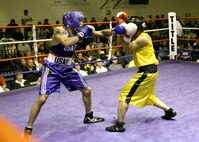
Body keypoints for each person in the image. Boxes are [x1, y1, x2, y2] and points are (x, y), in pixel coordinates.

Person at [23, 11, 124, 139]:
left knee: (87, 90)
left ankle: (89, 116)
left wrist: (116, 30)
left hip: (68, 67)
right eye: (80, 19)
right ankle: (28, 129)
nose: (82, 22)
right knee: (42, 98)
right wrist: (82, 33)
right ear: (71, 20)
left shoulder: (79, 31)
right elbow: (66, 43)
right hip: (52, 68)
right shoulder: (59, 30)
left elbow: (102, 33)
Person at [105, 14, 177, 132]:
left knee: (124, 96)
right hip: (150, 72)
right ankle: (169, 111)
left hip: (146, 72)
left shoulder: (143, 38)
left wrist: (126, 34)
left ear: (135, 28)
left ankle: (120, 124)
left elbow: (126, 49)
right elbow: (122, 44)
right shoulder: (139, 36)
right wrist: (120, 30)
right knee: (148, 97)